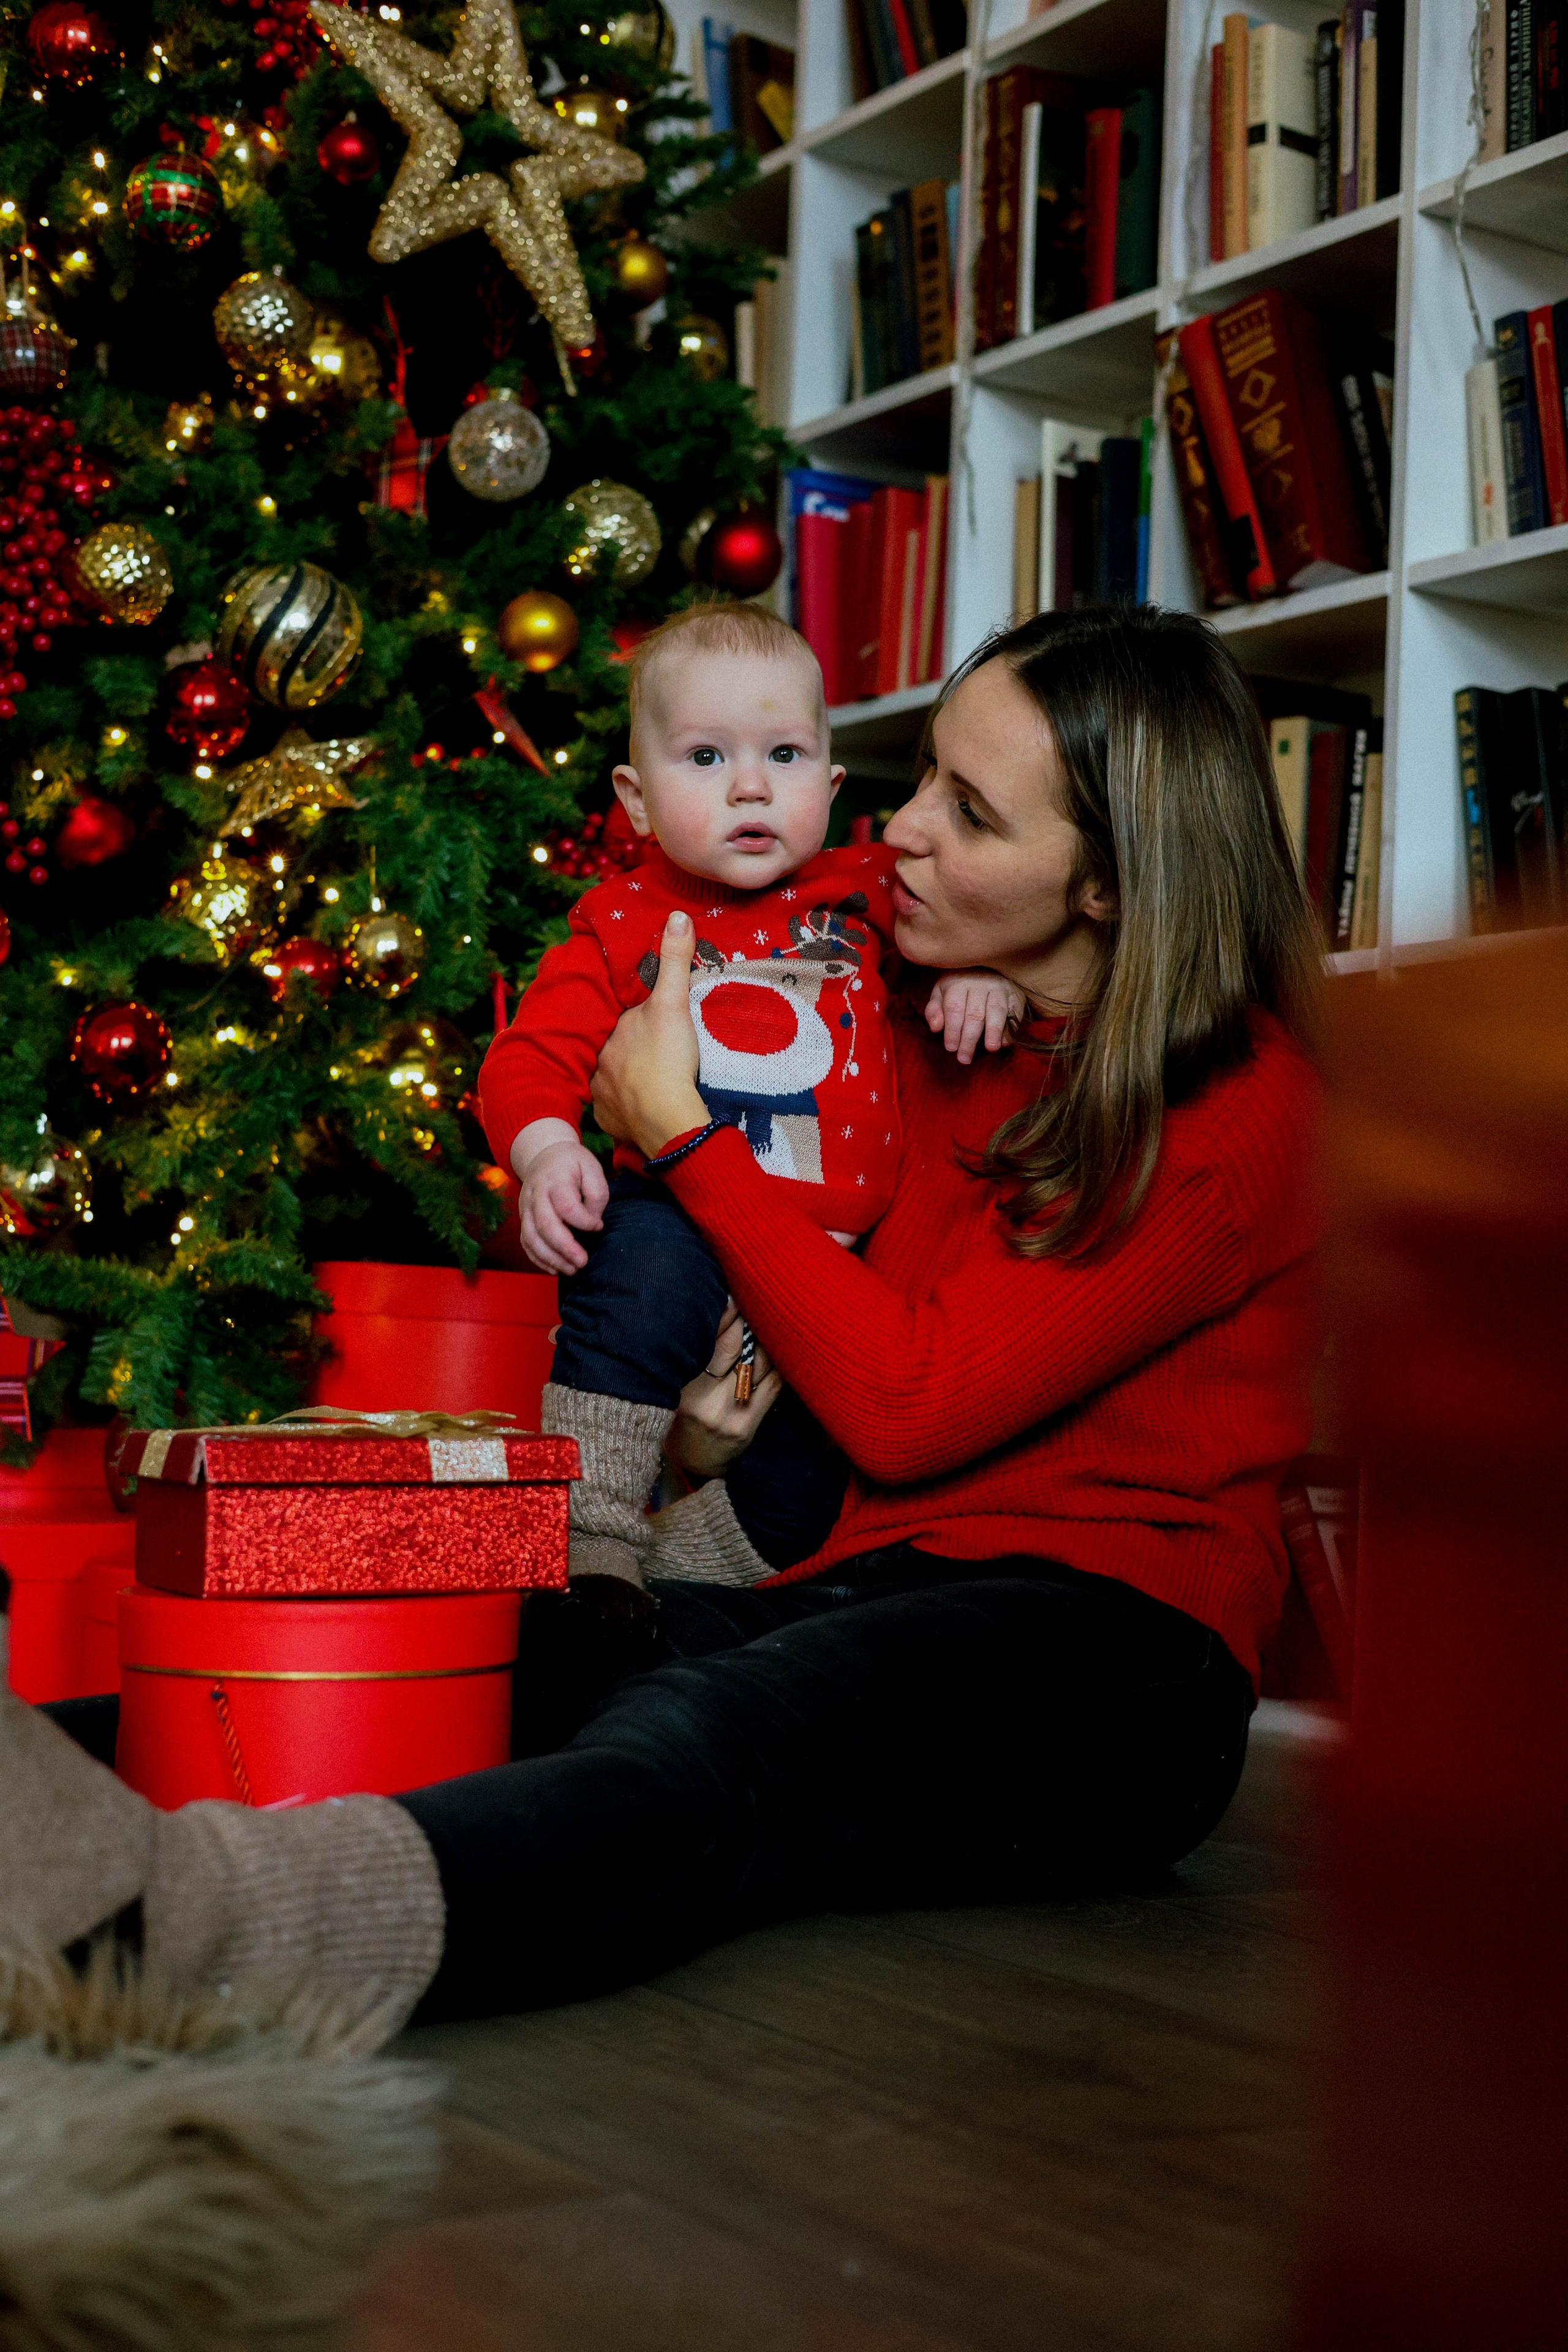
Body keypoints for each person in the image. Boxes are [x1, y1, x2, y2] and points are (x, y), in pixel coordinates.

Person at [0, 604, 1322, 2037]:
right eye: (921, 776)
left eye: (969, 812)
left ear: (1109, 889)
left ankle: (214, 1935)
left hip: (1117, 1659)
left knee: (713, 1738)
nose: (902, 834)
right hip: (860, 1568)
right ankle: (37, 1826)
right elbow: (625, 1007)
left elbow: (907, 1400)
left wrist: (682, 1137)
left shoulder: (1235, 1110)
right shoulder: (884, 961)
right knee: (497, 1652)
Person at [480, 599, 1020, 1590]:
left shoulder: (870, 894)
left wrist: (977, 975)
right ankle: (589, 1539)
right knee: (630, 1302)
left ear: (832, 779)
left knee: (825, 1455)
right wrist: (547, 1150)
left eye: (783, 755)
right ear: (635, 802)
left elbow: (974, 932)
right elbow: (527, 1059)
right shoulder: (617, 922)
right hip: (679, 1214)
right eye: (704, 759)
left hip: (840, 1256)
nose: (748, 788)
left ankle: (688, 1573)